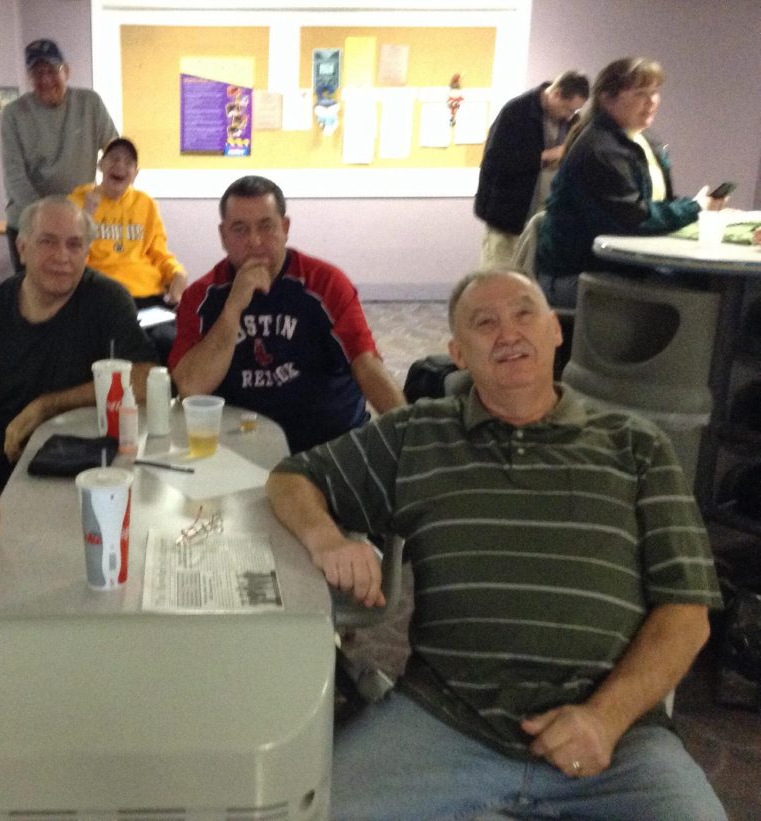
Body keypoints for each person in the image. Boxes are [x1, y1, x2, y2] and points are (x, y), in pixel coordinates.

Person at [266, 268, 726, 820]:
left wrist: (605, 718)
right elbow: (291, 477)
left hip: (617, 739)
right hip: (446, 721)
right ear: (459, 353)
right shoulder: (419, 434)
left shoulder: (636, 446)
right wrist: (326, 537)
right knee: (316, 814)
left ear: (556, 331)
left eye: (524, 313)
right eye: (485, 323)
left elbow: (687, 610)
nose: (508, 333)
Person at [0, 195, 156, 494]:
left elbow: (144, 378)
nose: (62, 256)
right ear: (22, 249)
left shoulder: (108, 301)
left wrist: (46, 406)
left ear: (87, 252)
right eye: (48, 242)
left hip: (88, 472)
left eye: (75, 245)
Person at [169, 175, 404, 454]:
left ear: (285, 227)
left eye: (266, 226)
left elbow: (367, 365)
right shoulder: (202, 296)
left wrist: (411, 434)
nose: (254, 241)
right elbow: (191, 387)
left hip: (326, 446)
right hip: (239, 446)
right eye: (240, 229)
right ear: (223, 236)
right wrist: (233, 308)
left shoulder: (325, 284)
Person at [536, 57, 727, 309]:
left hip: (613, 268)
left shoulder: (643, 140)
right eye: (640, 93)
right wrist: (695, 208)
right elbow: (633, 218)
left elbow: (654, 204)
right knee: (702, 300)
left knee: (709, 285)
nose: (651, 102)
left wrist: (696, 205)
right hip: (576, 276)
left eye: (655, 93)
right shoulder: (599, 149)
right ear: (607, 98)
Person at [0, 39, 117, 274]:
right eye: (36, 73)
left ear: (67, 71)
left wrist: (106, 192)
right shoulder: (13, 114)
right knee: (33, 297)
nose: (45, 80)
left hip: (77, 221)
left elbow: (115, 153)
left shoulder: (90, 104)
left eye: (52, 71)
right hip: (29, 224)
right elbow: (14, 177)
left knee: (76, 294)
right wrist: (49, 219)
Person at [69, 136, 186, 363]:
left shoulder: (146, 204)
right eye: (113, 158)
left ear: (136, 172)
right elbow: (71, 252)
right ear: (100, 165)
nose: (120, 166)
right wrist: (86, 216)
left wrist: (177, 273)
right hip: (104, 296)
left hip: (148, 297)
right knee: (123, 348)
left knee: (169, 340)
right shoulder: (79, 199)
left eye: (128, 162)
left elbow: (159, 252)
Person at [474, 70, 589, 268]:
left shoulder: (571, 122)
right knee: (498, 276)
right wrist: (547, 155)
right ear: (556, 94)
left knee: (529, 284)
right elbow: (497, 160)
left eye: (575, 111)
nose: (570, 115)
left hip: (541, 220)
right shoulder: (516, 112)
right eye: (568, 109)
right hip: (508, 219)